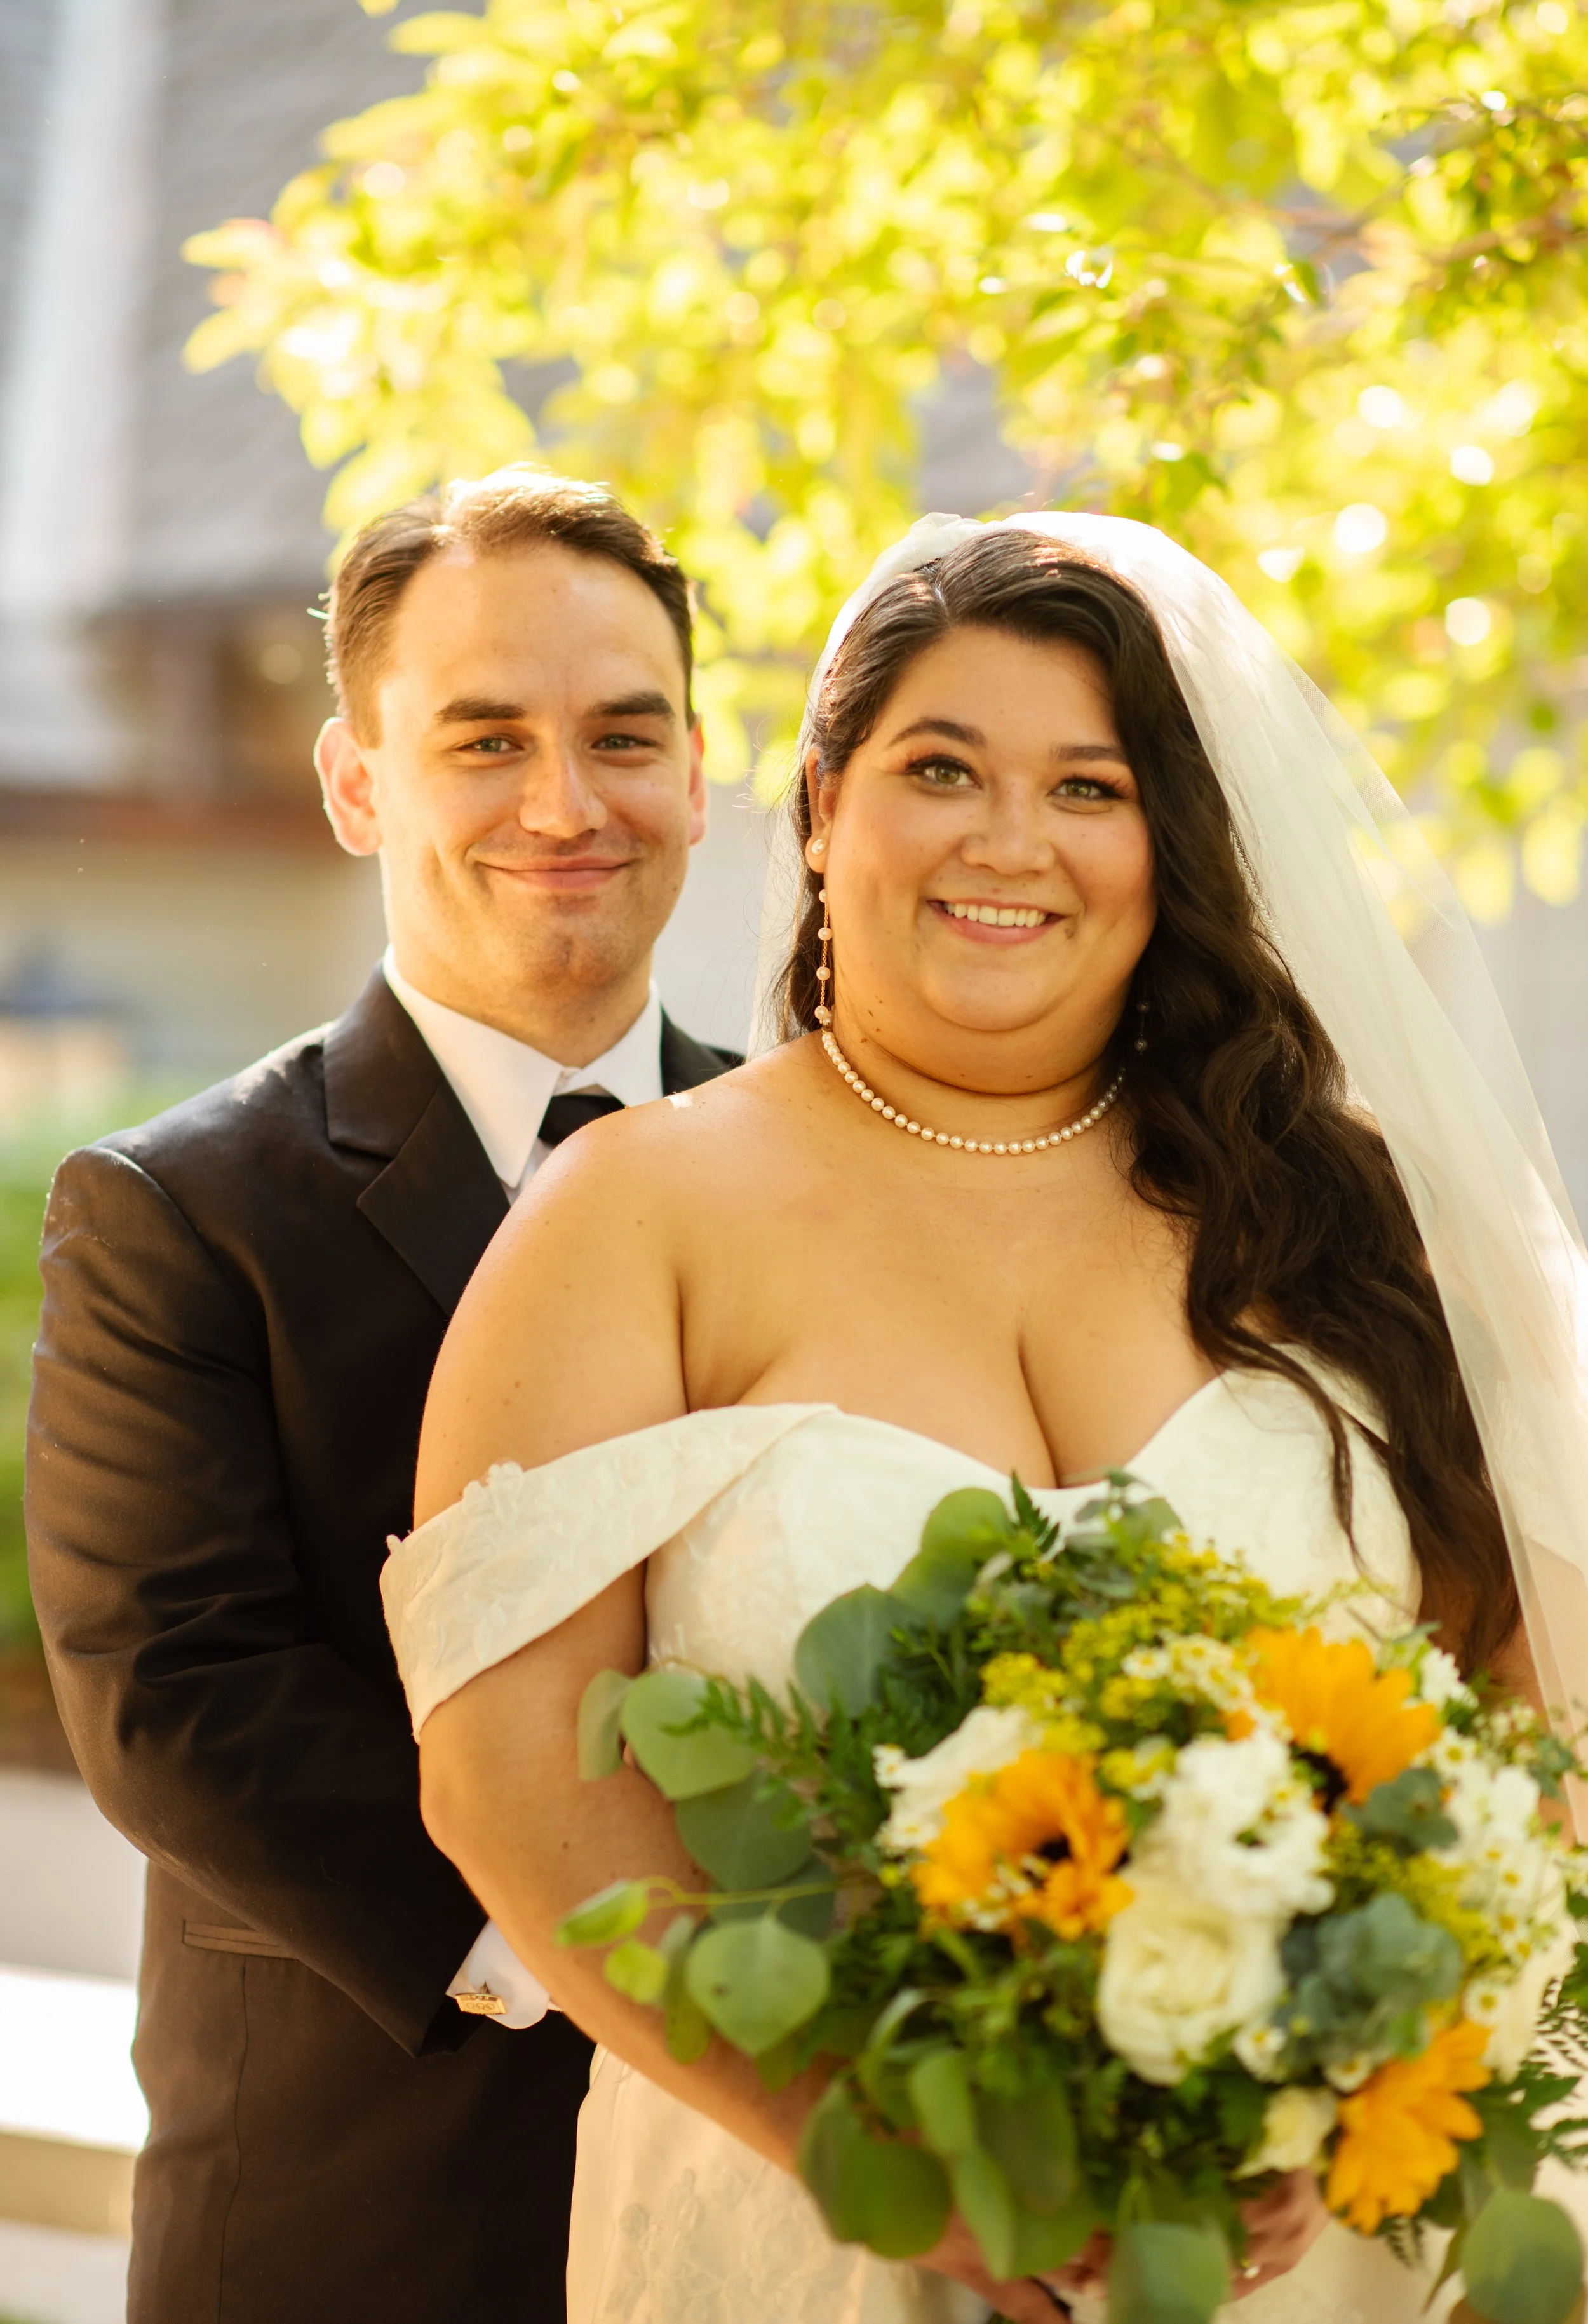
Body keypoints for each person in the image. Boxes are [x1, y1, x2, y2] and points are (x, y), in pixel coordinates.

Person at [381, 514, 1588, 2323]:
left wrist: (1344, 2081)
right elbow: (512, 1769)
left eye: (1087, 788)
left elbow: (1517, 1698)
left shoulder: (1345, 1223)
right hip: (817, 2223)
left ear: (1165, 848)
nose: (1009, 842)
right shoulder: (627, 1216)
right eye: (938, 769)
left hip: (1314, 2228)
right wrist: (873, 2146)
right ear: (820, 807)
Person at [24, 466, 740, 2324]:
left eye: (622, 735)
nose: (566, 805)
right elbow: (175, 1689)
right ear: (359, 784)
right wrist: (639, 1966)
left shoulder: (812, 1162)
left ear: (698, 766)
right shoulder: (176, 1207)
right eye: (484, 739)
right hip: (366, 2203)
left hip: (787, 2209)